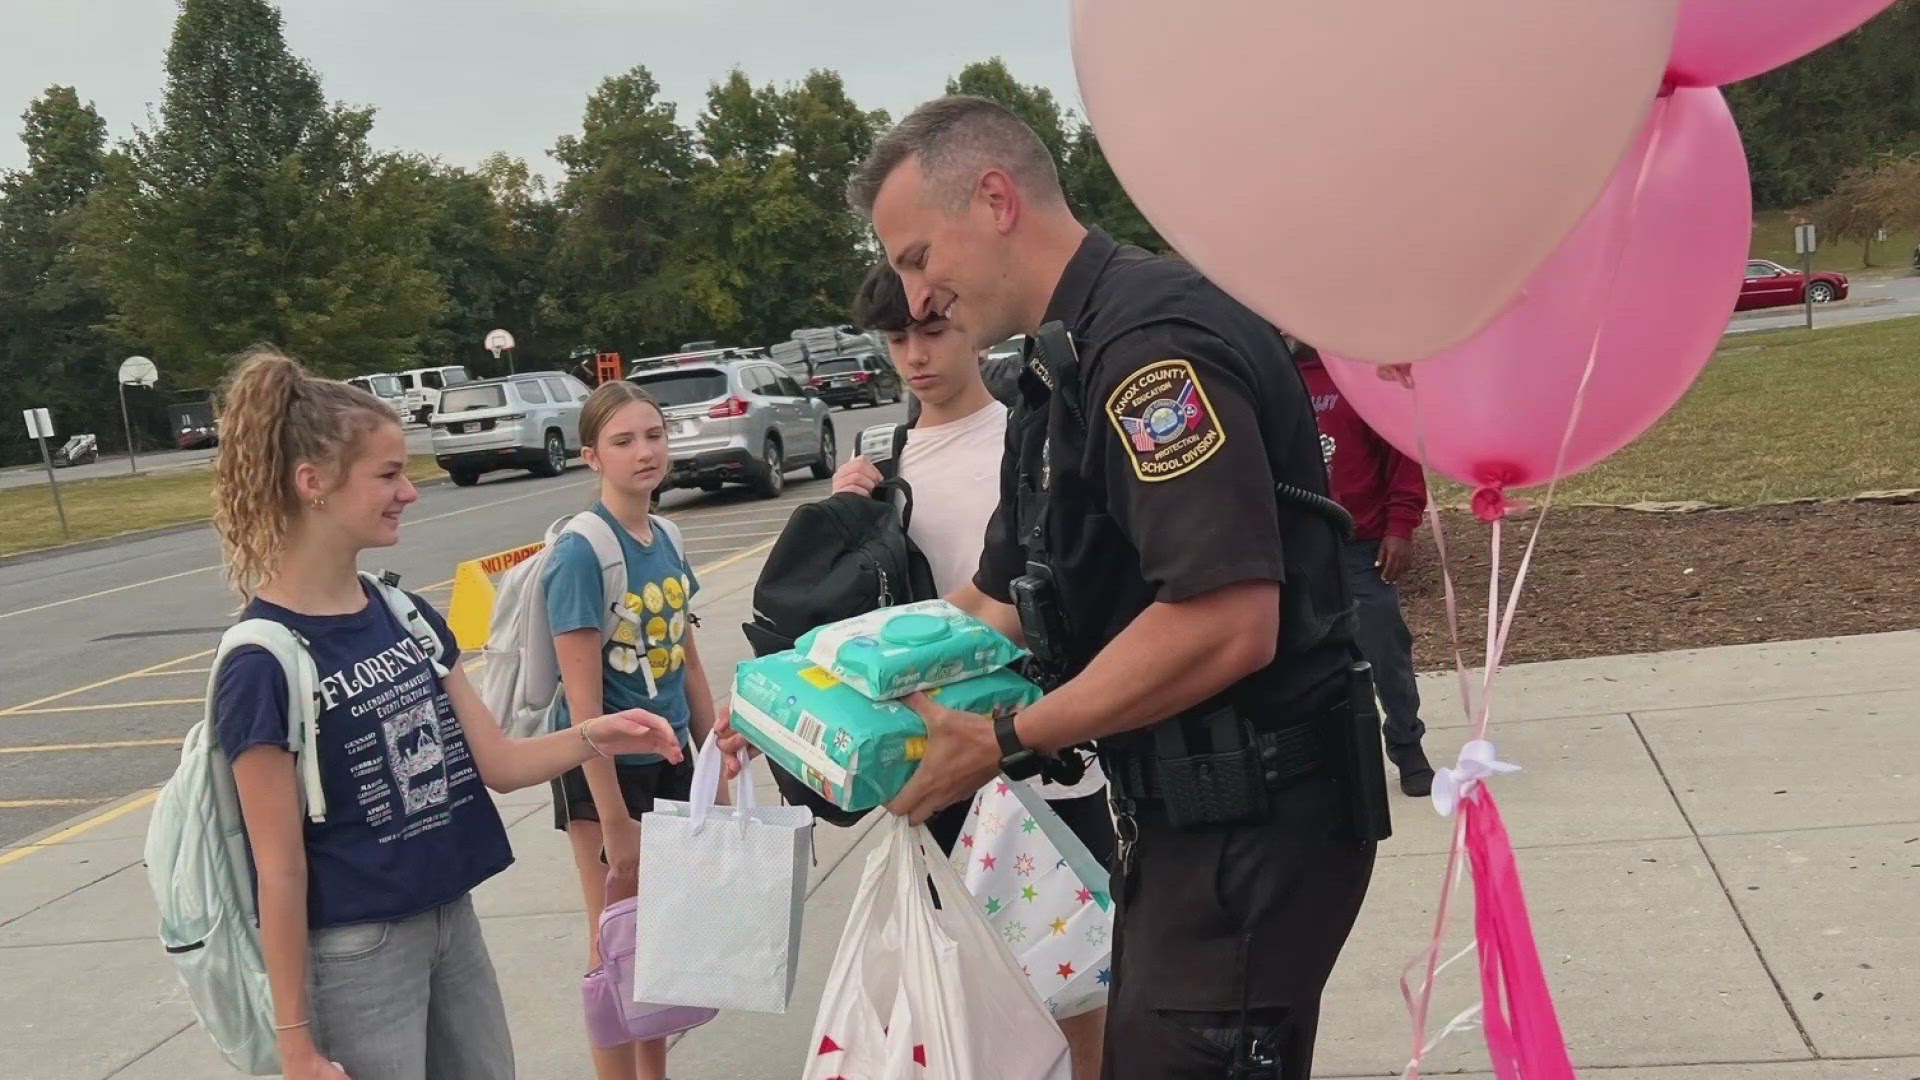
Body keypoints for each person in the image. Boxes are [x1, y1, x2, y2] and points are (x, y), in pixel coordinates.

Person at [841, 96, 1384, 1078]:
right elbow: (999, 600)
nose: (916, 301)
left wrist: (1003, 740)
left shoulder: (1149, 351)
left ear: (996, 200)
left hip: (1253, 822)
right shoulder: (1061, 368)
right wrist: (816, 691)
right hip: (1189, 820)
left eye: (919, 257)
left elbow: (1226, 619)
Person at [210, 349, 682, 1080]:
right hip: (355, 954)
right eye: (389, 475)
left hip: (449, 923)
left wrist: (594, 733)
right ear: (313, 485)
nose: (410, 493)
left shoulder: (406, 615)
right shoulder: (263, 662)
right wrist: (295, 1042)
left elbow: (497, 762)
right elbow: (276, 869)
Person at [832, 260, 1115, 1080]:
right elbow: (864, 605)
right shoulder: (877, 452)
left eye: (932, 329)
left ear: (966, 323)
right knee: (962, 963)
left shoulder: (1030, 432)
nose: (916, 354)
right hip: (934, 746)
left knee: (1075, 956)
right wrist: (849, 509)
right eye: (896, 339)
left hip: (1043, 736)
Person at [545, 380, 720, 1080]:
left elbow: (686, 654)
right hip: (606, 773)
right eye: (623, 441)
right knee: (613, 947)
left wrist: (715, 755)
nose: (644, 451)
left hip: (671, 756)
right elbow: (585, 710)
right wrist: (614, 820)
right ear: (592, 456)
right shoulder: (582, 553)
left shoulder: (667, 534)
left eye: (654, 435)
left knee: (665, 943)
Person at [1292, 341, 1435, 797]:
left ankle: (1407, 743)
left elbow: (1401, 451)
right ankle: (1332, 760)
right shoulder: (1266, 371)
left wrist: (1401, 525)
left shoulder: (1358, 373)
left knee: (1383, 645)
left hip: (1360, 544)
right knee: (1303, 661)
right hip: (1294, 547)